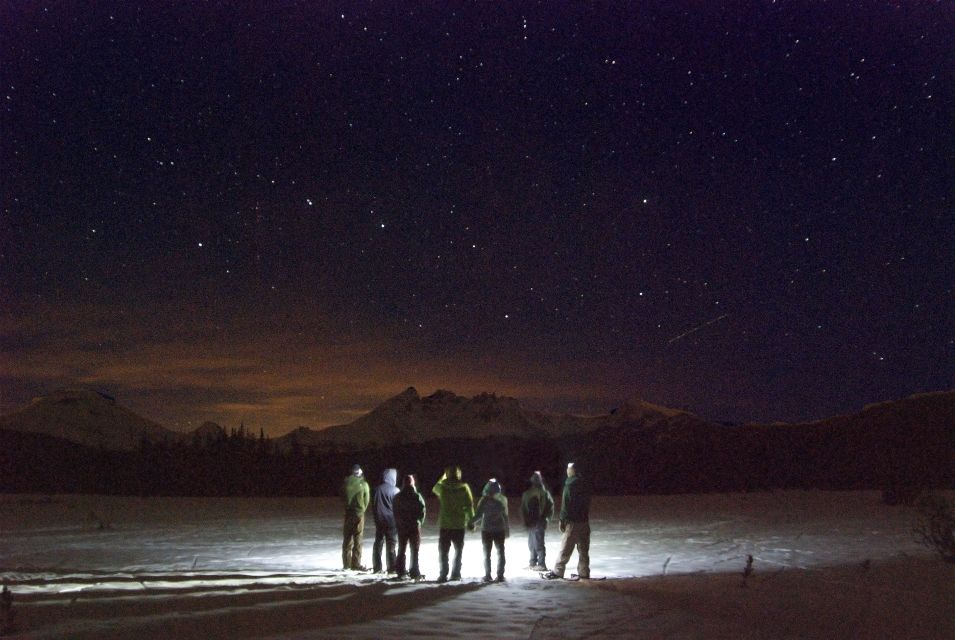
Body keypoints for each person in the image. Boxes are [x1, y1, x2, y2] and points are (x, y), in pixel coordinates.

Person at [544, 462, 591, 579]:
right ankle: (584, 572)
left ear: (572, 471)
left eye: (568, 469)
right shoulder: (585, 484)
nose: (567, 471)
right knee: (583, 550)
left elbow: (566, 505)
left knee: (565, 548)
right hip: (584, 521)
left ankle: (558, 571)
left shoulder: (569, 485)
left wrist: (562, 519)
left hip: (573, 523)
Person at [431, 465, 474, 583]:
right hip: (459, 524)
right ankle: (456, 574)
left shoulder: (443, 487)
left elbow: (434, 489)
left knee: (443, 552)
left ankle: (443, 574)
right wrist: (471, 521)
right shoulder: (464, 488)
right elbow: (469, 506)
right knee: (458, 551)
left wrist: (443, 476)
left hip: (445, 525)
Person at [469, 478, 509, 582]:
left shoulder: (484, 501)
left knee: (487, 553)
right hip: (500, 529)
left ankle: (488, 575)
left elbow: (478, 515)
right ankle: (500, 575)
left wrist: (471, 522)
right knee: (501, 552)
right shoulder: (501, 500)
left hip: (486, 530)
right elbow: (505, 515)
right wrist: (507, 528)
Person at [393, 473, 426, 579]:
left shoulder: (398, 496)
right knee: (414, 549)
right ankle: (414, 571)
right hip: (414, 526)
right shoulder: (416, 496)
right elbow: (422, 510)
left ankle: (401, 571)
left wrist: (398, 521)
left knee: (402, 548)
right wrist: (419, 522)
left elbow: (395, 510)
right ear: (412, 482)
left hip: (402, 526)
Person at [521, 470, 555, 571]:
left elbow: (550, 506)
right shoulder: (529, 492)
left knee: (538, 543)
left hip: (538, 521)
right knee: (532, 543)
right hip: (532, 522)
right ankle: (532, 563)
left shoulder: (543, 493)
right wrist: (526, 519)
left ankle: (541, 564)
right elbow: (524, 507)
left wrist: (546, 518)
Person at [341, 463, 370, 571]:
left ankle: (346, 564)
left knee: (347, 539)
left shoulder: (345, 483)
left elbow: (342, 497)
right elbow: (366, 500)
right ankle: (356, 564)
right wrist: (362, 509)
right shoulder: (364, 484)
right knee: (358, 538)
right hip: (359, 514)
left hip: (348, 514)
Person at [372, 468, 399, 573]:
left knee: (378, 543)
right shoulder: (395, 490)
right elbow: (397, 507)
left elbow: (373, 505)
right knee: (391, 544)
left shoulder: (376, 489)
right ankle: (392, 567)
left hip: (379, 520)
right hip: (391, 521)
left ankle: (377, 567)